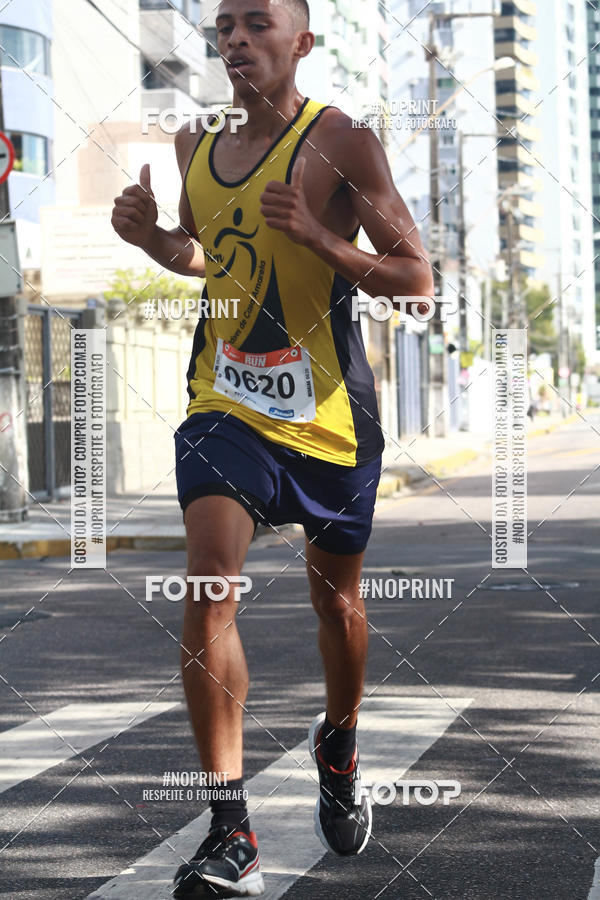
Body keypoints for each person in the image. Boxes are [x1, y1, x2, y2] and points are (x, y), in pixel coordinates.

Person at [111, 0, 433, 895]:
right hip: (226, 401)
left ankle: (339, 742)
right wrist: (154, 239)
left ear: (303, 42)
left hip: (330, 417)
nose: (237, 40)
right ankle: (231, 831)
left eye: (258, 23)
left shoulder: (343, 141)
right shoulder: (195, 142)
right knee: (209, 581)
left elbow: (416, 279)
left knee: (339, 607)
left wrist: (322, 239)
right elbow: (209, 256)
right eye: (225, 27)